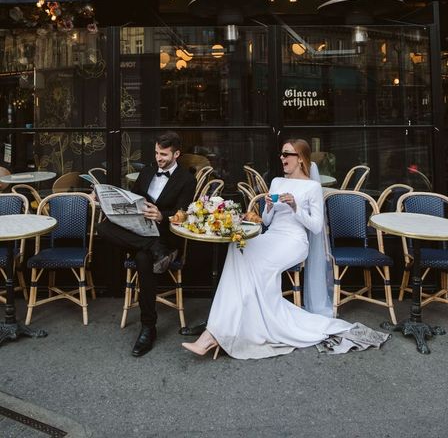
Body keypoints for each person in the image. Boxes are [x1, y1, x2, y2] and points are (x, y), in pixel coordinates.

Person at [182, 138, 389, 360]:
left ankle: (217, 333)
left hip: (294, 241)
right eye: (281, 154)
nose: (282, 158)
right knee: (237, 246)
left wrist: (295, 207)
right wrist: (269, 208)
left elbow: (316, 226)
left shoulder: (312, 187)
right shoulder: (277, 182)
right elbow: (268, 221)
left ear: (300, 159)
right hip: (273, 236)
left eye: (286, 154)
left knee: (255, 268)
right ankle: (221, 330)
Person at [98, 131, 196, 357]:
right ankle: (153, 249)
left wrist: (161, 214)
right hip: (140, 231)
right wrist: (108, 201)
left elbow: (184, 213)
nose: (158, 158)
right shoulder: (148, 170)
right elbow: (132, 198)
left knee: (143, 259)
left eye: (164, 154)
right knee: (102, 227)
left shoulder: (186, 179)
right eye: (156, 152)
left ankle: (148, 327)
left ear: (176, 154)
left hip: (165, 234)